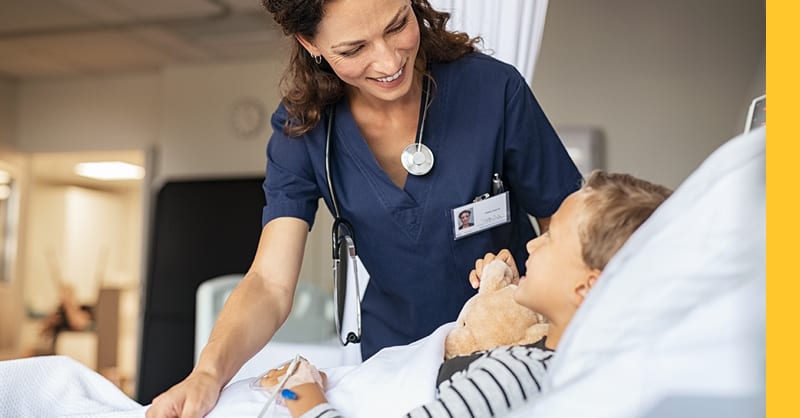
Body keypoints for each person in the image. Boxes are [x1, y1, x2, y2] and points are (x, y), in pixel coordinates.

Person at [147, 0, 581, 416]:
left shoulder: (493, 91)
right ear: (310, 43)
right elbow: (269, 283)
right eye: (354, 49)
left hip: (511, 348)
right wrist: (207, 373)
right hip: (395, 363)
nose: (390, 62)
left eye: (397, 25)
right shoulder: (304, 129)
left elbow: (575, 236)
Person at [260, 171, 672, 418]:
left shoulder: (519, 374)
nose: (532, 245)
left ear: (587, 287)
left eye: (552, 240)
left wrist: (303, 395)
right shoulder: (554, 361)